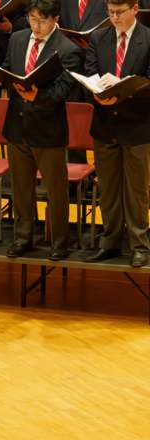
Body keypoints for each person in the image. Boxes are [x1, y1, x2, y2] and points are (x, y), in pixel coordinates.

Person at [0, 0, 84, 260]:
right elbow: (7, 66)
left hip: (47, 129)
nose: (35, 26)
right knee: (21, 188)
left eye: (42, 21)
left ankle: (59, 241)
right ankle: (23, 237)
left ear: (55, 19)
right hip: (17, 125)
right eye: (32, 19)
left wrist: (37, 96)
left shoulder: (67, 49)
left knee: (55, 190)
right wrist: (0, 77)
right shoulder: (18, 38)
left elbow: (64, 90)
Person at [83, 0, 150, 267]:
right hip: (105, 124)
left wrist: (123, 88)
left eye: (119, 12)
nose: (114, 18)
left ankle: (139, 245)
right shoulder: (99, 37)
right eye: (110, 12)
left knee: (136, 190)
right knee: (108, 190)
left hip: (137, 125)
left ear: (135, 8)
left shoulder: (148, 38)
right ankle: (109, 241)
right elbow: (89, 73)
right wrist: (98, 92)